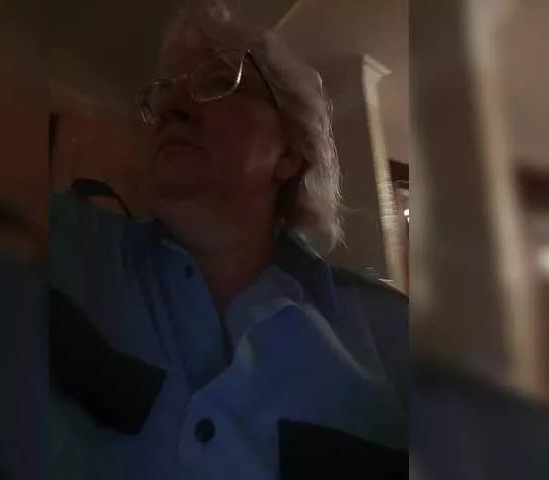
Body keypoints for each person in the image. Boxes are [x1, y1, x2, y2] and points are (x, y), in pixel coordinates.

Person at [49, 1, 408, 478]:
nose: (171, 107)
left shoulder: (395, 339)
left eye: (219, 81)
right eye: (163, 95)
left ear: (289, 154)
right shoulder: (64, 247)